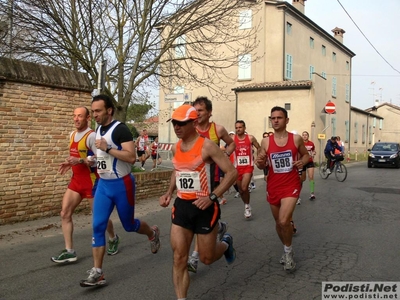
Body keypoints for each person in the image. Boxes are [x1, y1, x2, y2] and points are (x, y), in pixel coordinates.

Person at [80, 94, 160, 287]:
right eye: (93, 111)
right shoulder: (98, 129)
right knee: (98, 225)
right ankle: (98, 272)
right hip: (104, 184)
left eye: (98, 111)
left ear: (109, 110)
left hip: (122, 184)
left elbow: (132, 157)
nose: (95, 115)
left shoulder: (120, 129)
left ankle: (152, 233)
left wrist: (107, 149)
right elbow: (102, 154)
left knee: (129, 225)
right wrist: (92, 159)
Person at [159, 104, 237, 300]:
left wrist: (212, 197)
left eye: (181, 124)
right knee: (179, 258)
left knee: (206, 258)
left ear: (194, 123)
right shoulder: (176, 146)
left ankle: (226, 243)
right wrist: (169, 192)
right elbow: (177, 170)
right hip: (182, 206)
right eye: (174, 123)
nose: (176, 127)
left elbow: (232, 173)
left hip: (205, 207)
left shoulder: (207, 146)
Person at [52, 107, 119, 264]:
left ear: (88, 118)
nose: (76, 119)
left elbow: (101, 158)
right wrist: (70, 164)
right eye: (74, 116)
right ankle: (70, 251)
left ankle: (113, 237)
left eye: (80, 116)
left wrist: (81, 161)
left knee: (100, 217)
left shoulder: (92, 136)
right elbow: (76, 156)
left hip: (92, 182)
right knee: (65, 213)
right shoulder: (72, 135)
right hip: (76, 181)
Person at [255, 106, 309, 272]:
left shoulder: (296, 139)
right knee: (278, 223)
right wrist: (260, 162)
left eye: (279, 117)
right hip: (273, 185)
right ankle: (287, 248)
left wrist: (302, 162)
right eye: (273, 118)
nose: (276, 120)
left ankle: (288, 253)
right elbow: (260, 164)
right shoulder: (266, 141)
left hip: (291, 185)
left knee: (285, 220)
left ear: (286, 120)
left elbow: (306, 155)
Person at [187, 96, 236, 273]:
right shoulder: (190, 128)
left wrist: (225, 156)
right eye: (195, 110)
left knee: (201, 214)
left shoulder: (218, 129)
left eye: (200, 110)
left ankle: (194, 257)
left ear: (209, 112)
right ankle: (219, 227)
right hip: (194, 180)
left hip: (212, 179)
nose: (197, 113)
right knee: (196, 214)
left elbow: (231, 144)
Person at [233, 120, 260, 219]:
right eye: (236, 128)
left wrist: (258, 157)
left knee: (244, 188)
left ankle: (247, 206)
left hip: (248, 166)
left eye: (240, 127)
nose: (238, 129)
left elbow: (259, 147)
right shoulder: (232, 138)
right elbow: (227, 148)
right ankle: (246, 205)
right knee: (240, 190)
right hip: (236, 167)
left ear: (244, 128)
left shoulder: (250, 138)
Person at [302, 131, 316, 200]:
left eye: (306, 135)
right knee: (302, 178)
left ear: (308, 136)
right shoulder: (300, 143)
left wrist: (313, 153)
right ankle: (297, 195)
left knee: (311, 177)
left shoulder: (311, 143)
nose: (304, 136)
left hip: (310, 161)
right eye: (303, 135)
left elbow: (313, 151)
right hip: (302, 162)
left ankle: (312, 193)